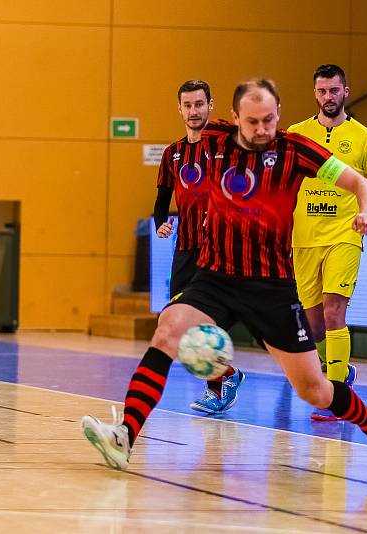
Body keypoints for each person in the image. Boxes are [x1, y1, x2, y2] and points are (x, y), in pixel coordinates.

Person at [81, 79, 367, 471]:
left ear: (279, 114)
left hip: (270, 286)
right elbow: (193, 112)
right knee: (168, 329)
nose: (262, 130)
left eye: (269, 119)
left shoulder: (295, 150)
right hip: (216, 276)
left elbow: (360, 183)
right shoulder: (214, 139)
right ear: (234, 118)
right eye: (252, 121)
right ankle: (125, 436)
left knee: (314, 390)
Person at [286, 64, 367, 420]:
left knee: (334, 312)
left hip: (345, 235)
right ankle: (343, 370)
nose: (328, 97)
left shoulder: (364, 137)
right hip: (304, 240)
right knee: (314, 327)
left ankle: (335, 396)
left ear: (346, 91)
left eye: (334, 91)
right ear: (315, 93)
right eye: (322, 91)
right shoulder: (296, 134)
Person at [154, 81, 248, 415]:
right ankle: (228, 375)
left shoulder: (226, 144)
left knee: (207, 320)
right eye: (188, 105)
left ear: (210, 105)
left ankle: (216, 388)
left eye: (199, 104)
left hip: (218, 249)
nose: (194, 111)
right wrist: (161, 223)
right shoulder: (173, 153)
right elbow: (161, 201)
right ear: (179, 109)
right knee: (177, 321)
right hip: (186, 248)